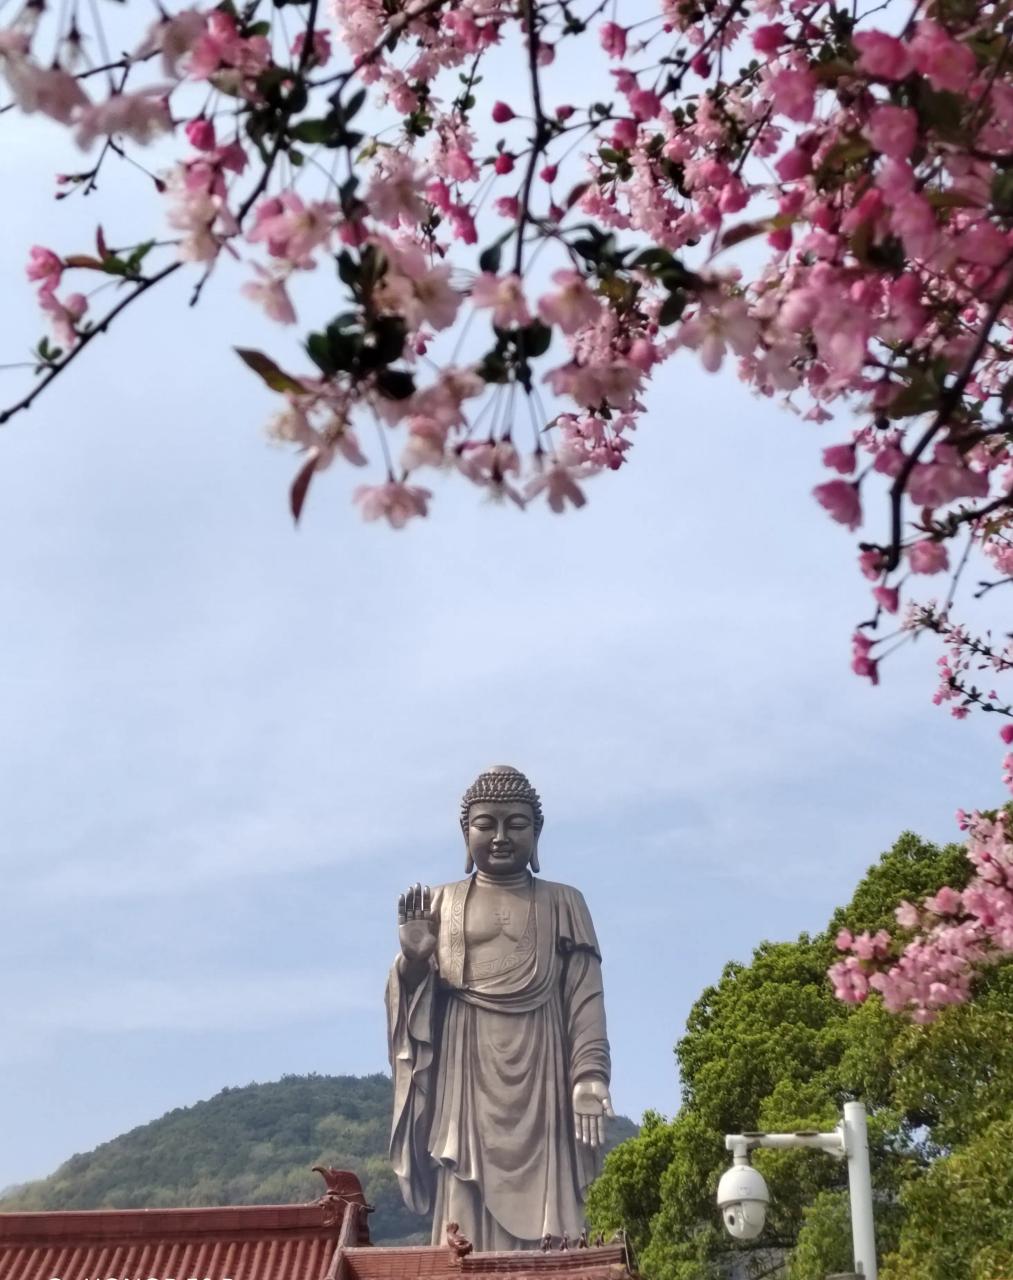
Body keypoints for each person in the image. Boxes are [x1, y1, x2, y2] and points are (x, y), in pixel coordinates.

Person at [386, 765, 613, 1250]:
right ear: (465, 832)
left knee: (556, 1211)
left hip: (543, 1071)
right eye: (486, 824)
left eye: (517, 823)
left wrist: (589, 1075)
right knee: (463, 1202)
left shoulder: (564, 902)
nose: (501, 837)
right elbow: (411, 997)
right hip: (466, 1072)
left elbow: (585, 996)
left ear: (538, 831)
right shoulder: (441, 902)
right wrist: (412, 961)